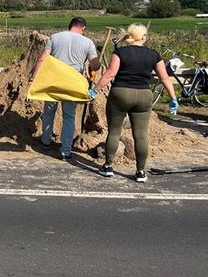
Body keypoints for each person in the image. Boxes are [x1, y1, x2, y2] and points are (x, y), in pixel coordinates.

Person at [88, 23, 178, 183]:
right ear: (143, 37)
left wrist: (95, 90)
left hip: (121, 93)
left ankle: (108, 167)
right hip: (144, 95)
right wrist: (173, 98)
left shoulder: (120, 52)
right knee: (141, 135)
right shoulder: (154, 54)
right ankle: (141, 172)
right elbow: (164, 78)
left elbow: (109, 74)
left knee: (114, 131)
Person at [30, 17, 100, 160]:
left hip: (53, 81)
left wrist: (34, 76)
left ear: (70, 26)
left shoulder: (55, 37)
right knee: (69, 116)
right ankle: (66, 150)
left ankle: (46, 141)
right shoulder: (88, 42)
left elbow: (43, 58)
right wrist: (95, 65)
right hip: (72, 83)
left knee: (49, 112)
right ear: (83, 28)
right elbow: (95, 65)